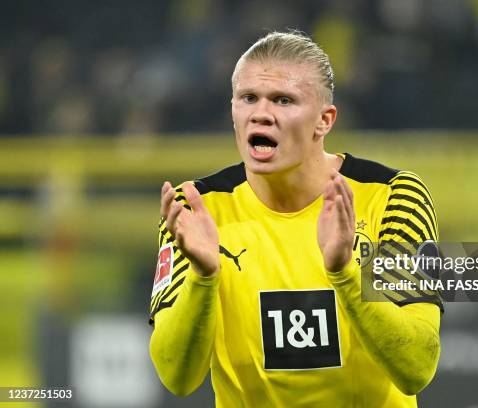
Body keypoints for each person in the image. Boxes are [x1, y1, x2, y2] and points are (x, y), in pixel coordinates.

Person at [149, 31, 442, 407]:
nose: (261, 113)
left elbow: (417, 367)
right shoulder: (195, 209)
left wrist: (345, 274)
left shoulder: (393, 196)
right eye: (248, 98)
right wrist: (203, 279)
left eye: (283, 100)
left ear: (324, 120)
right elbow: (177, 377)